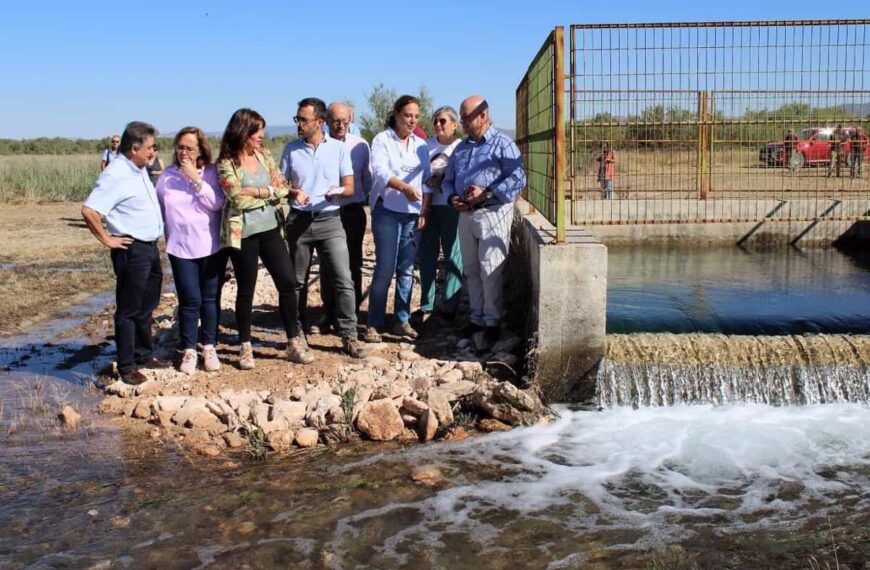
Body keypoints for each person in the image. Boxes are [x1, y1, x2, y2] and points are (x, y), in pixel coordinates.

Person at [217, 108, 313, 368]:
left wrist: (259, 190)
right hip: (244, 234)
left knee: (288, 282)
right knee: (246, 290)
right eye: (256, 130)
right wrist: (267, 192)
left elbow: (282, 187)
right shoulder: (226, 162)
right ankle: (245, 346)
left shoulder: (265, 155)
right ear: (243, 131)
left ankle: (293, 341)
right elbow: (235, 197)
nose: (262, 135)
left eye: (262, 129)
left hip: (271, 228)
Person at [82, 121, 170, 385]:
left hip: (149, 246)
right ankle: (126, 365)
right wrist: (108, 239)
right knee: (129, 310)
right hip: (131, 248)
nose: (154, 152)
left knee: (147, 305)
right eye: (150, 147)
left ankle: (143, 354)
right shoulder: (116, 173)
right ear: (134, 148)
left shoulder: (138, 168)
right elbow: (90, 211)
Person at [280, 98, 366, 359]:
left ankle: (349, 335)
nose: (298, 124)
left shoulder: (339, 149)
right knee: (296, 282)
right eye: (297, 118)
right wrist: (294, 191)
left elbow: (350, 187)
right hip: (299, 222)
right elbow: (281, 186)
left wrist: (337, 192)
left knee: (343, 279)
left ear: (319, 122)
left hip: (331, 220)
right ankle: (297, 334)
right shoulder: (290, 149)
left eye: (302, 119)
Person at [443, 95, 526, 353]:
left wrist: (487, 192)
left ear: (482, 116)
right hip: (466, 214)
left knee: (490, 269)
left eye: (466, 117)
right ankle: (476, 319)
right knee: (470, 268)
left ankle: (492, 323)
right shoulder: (462, 147)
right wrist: (451, 197)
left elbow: (518, 177)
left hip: (493, 213)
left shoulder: (503, 144)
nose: (462, 122)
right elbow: (448, 179)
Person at [155, 127, 224, 375]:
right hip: (179, 247)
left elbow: (217, 204)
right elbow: (160, 208)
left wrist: (195, 178)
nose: (184, 152)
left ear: (200, 150)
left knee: (209, 299)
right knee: (189, 300)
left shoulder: (211, 172)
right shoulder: (167, 177)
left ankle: (209, 346)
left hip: (209, 246)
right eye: (180, 147)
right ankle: (188, 349)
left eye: (189, 148)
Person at [364, 95, 431, 343]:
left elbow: (426, 180)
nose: (412, 120)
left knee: (406, 268)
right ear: (396, 115)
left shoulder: (421, 145)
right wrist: (403, 187)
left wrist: (425, 210)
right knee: (385, 267)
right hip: (388, 211)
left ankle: (401, 319)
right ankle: (374, 321)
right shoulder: (382, 140)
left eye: (415, 116)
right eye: (407, 115)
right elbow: (381, 172)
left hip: (413, 213)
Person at [308, 101, 372, 333]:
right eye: (337, 120)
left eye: (345, 120)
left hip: (353, 212)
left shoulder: (361, 146)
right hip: (328, 212)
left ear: (351, 119)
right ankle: (329, 312)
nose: (341, 125)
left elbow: (367, 180)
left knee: (353, 263)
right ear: (326, 120)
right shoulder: (320, 145)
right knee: (327, 264)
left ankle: (351, 313)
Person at [415, 105, 463, 324]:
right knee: (427, 256)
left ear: (454, 124)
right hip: (428, 207)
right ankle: (427, 304)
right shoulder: (425, 146)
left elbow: (464, 176)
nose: (438, 125)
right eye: (435, 121)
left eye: (443, 121)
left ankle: (450, 307)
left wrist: (443, 179)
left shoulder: (461, 148)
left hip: (451, 207)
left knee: (453, 256)